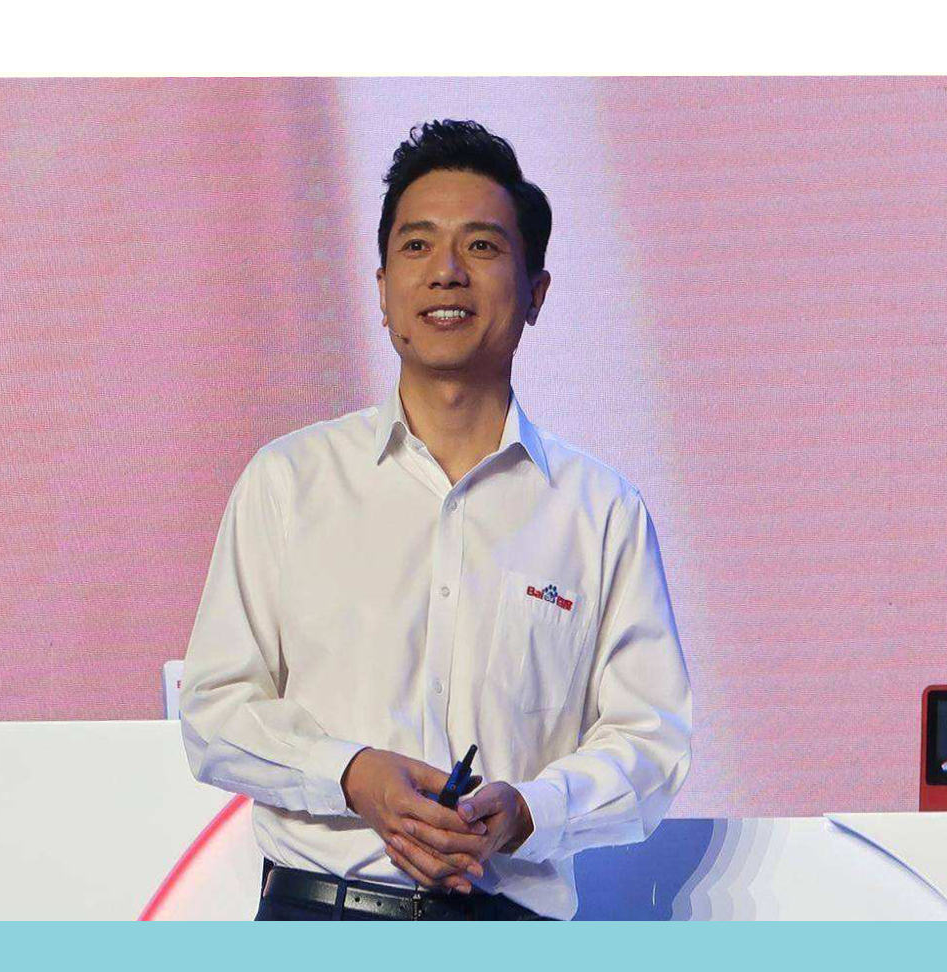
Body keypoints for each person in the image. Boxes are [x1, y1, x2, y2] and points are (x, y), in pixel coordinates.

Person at [179, 119, 692, 921]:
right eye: (417, 246)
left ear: (536, 293)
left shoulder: (601, 511)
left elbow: (650, 742)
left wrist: (529, 811)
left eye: (481, 247)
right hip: (319, 915)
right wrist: (352, 774)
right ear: (383, 290)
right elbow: (214, 711)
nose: (447, 272)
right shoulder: (288, 482)